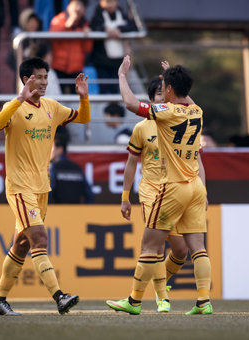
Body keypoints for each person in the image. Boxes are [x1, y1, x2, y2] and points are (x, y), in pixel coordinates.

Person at [106, 55, 211, 315]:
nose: (162, 92)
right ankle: (204, 301)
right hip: (196, 186)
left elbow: (131, 103)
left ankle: (134, 300)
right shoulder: (197, 111)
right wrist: (173, 78)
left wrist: (122, 76)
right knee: (197, 247)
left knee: (150, 246)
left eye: (165, 88)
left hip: (171, 186)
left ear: (170, 91)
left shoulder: (166, 112)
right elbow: (187, 98)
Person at [0, 57, 90, 316]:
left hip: (41, 187)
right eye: (39, 77)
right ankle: (59, 296)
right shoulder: (14, 107)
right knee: (40, 239)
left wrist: (83, 97)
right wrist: (19, 100)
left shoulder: (52, 107)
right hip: (20, 186)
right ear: (27, 79)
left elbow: (83, 118)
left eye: (46, 77)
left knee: (21, 245)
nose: (44, 82)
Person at [89, 0, 137, 94]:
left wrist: (119, 30)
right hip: (102, 62)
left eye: (112, 1)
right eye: (107, 2)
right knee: (103, 89)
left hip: (119, 62)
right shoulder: (97, 16)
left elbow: (133, 26)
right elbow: (93, 27)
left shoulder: (121, 14)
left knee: (118, 89)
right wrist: (105, 30)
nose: (110, 5)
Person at [49, 0, 92, 94]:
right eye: (76, 4)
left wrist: (87, 36)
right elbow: (53, 36)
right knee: (57, 97)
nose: (78, 8)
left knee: (75, 98)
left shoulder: (85, 24)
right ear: (68, 7)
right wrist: (68, 24)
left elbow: (87, 48)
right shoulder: (59, 19)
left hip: (76, 69)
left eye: (81, 5)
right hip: (58, 66)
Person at [49, 125, 94, 204]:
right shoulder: (77, 168)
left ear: (60, 149)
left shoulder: (53, 169)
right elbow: (89, 194)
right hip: (76, 213)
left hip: (57, 213)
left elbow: (48, 194)